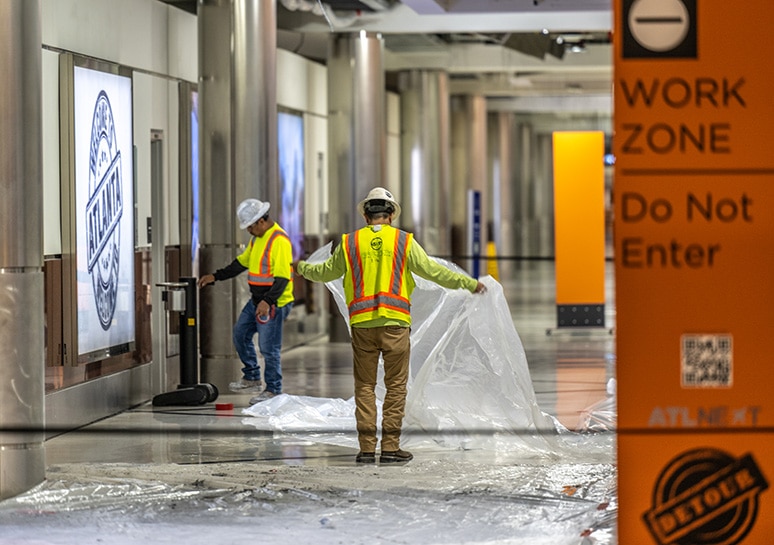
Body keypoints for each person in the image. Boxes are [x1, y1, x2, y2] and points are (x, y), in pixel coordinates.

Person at [296, 187, 486, 464]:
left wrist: (302, 268)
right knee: (396, 387)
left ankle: (365, 448)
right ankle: (390, 448)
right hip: (396, 325)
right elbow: (434, 272)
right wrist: (469, 283)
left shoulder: (349, 243)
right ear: (391, 215)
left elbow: (325, 272)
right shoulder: (404, 242)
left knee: (364, 387)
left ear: (365, 214)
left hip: (361, 325)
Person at [198, 198, 294, 404]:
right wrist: (216, 276)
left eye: (250, 226)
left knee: (269, 348)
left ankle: (273, 390)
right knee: (240, 334)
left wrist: (267, 302)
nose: (248, 231)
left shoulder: (279, 240)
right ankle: (251, 376)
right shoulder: (257, 239)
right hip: (257, 301)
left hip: (274, 303)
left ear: (260, 221)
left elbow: (283, 278)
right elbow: (241, 263)